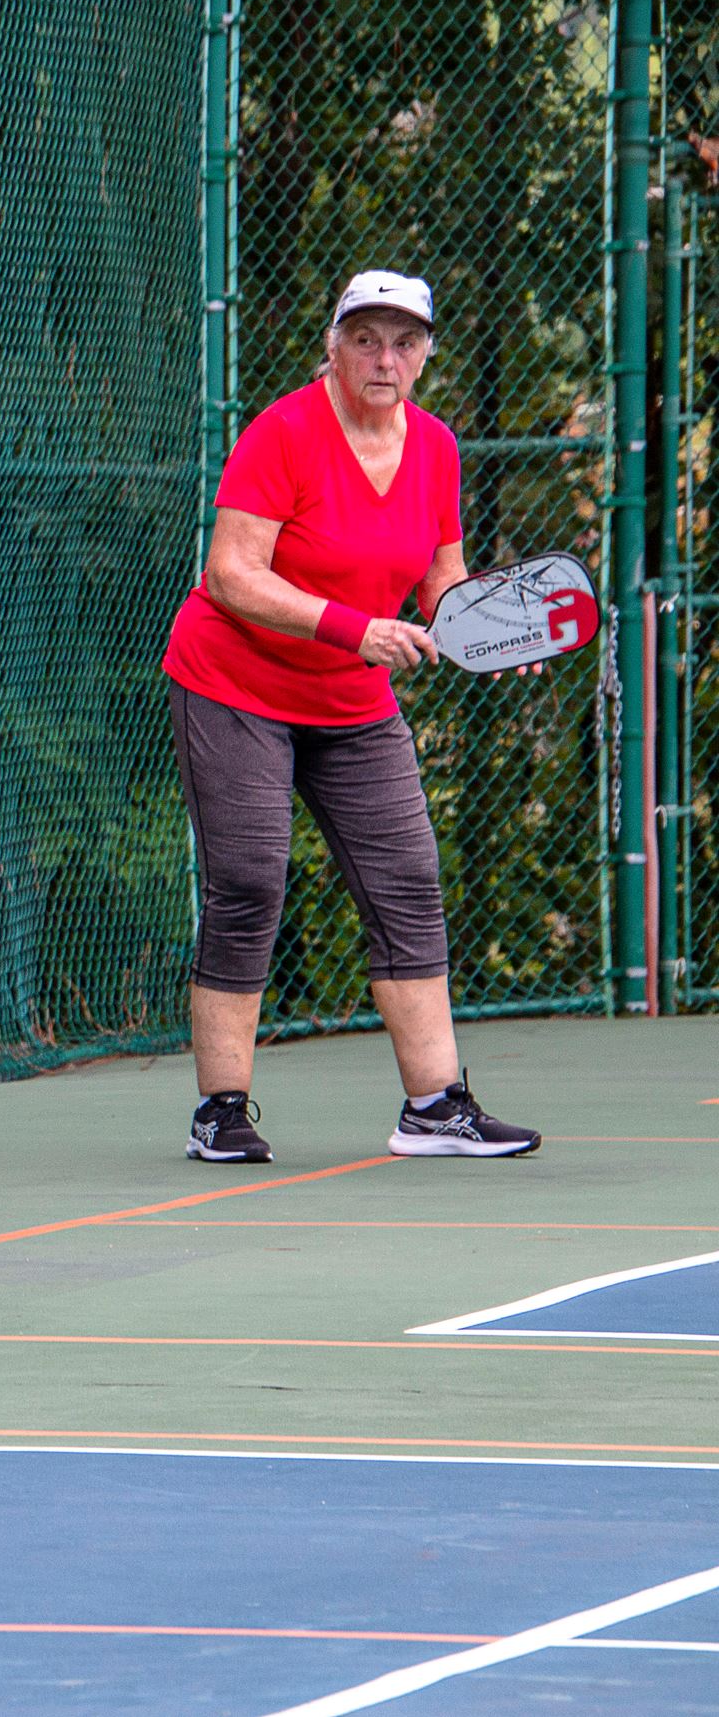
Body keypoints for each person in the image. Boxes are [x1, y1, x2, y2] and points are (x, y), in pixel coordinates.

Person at [160, 269, 541, 1166]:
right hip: (234, 681)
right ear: (332, 346)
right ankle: (220, 1110)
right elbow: (231, 574)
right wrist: (353, 626)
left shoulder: (437, 448)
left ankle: (436, 1108)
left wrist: (486, 628)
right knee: (250, 881)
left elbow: (441, 577)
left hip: (351, 699)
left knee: (409, 880)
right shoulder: (283, 433)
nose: (385, 357)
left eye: (405, 341)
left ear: (427, 355)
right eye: (366, 338)